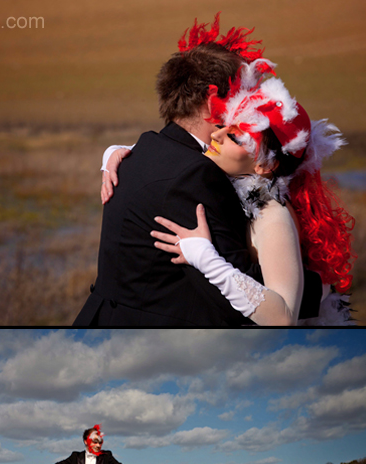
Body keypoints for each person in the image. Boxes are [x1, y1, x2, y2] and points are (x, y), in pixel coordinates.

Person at [73, 26, 274, 326]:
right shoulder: (193, 176)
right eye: (241, 97)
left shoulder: (146, 147)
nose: (248, 108)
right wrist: (315, 286)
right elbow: (238, 295)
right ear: (211, 102)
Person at [149, 67, 353, 327]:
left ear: (265, 167)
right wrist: (118, 152)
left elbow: (283, 319)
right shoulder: (238, 184)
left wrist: (206, 259)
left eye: (234, 136)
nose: (216, 134)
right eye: (223, 125)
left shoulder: (272, 215)